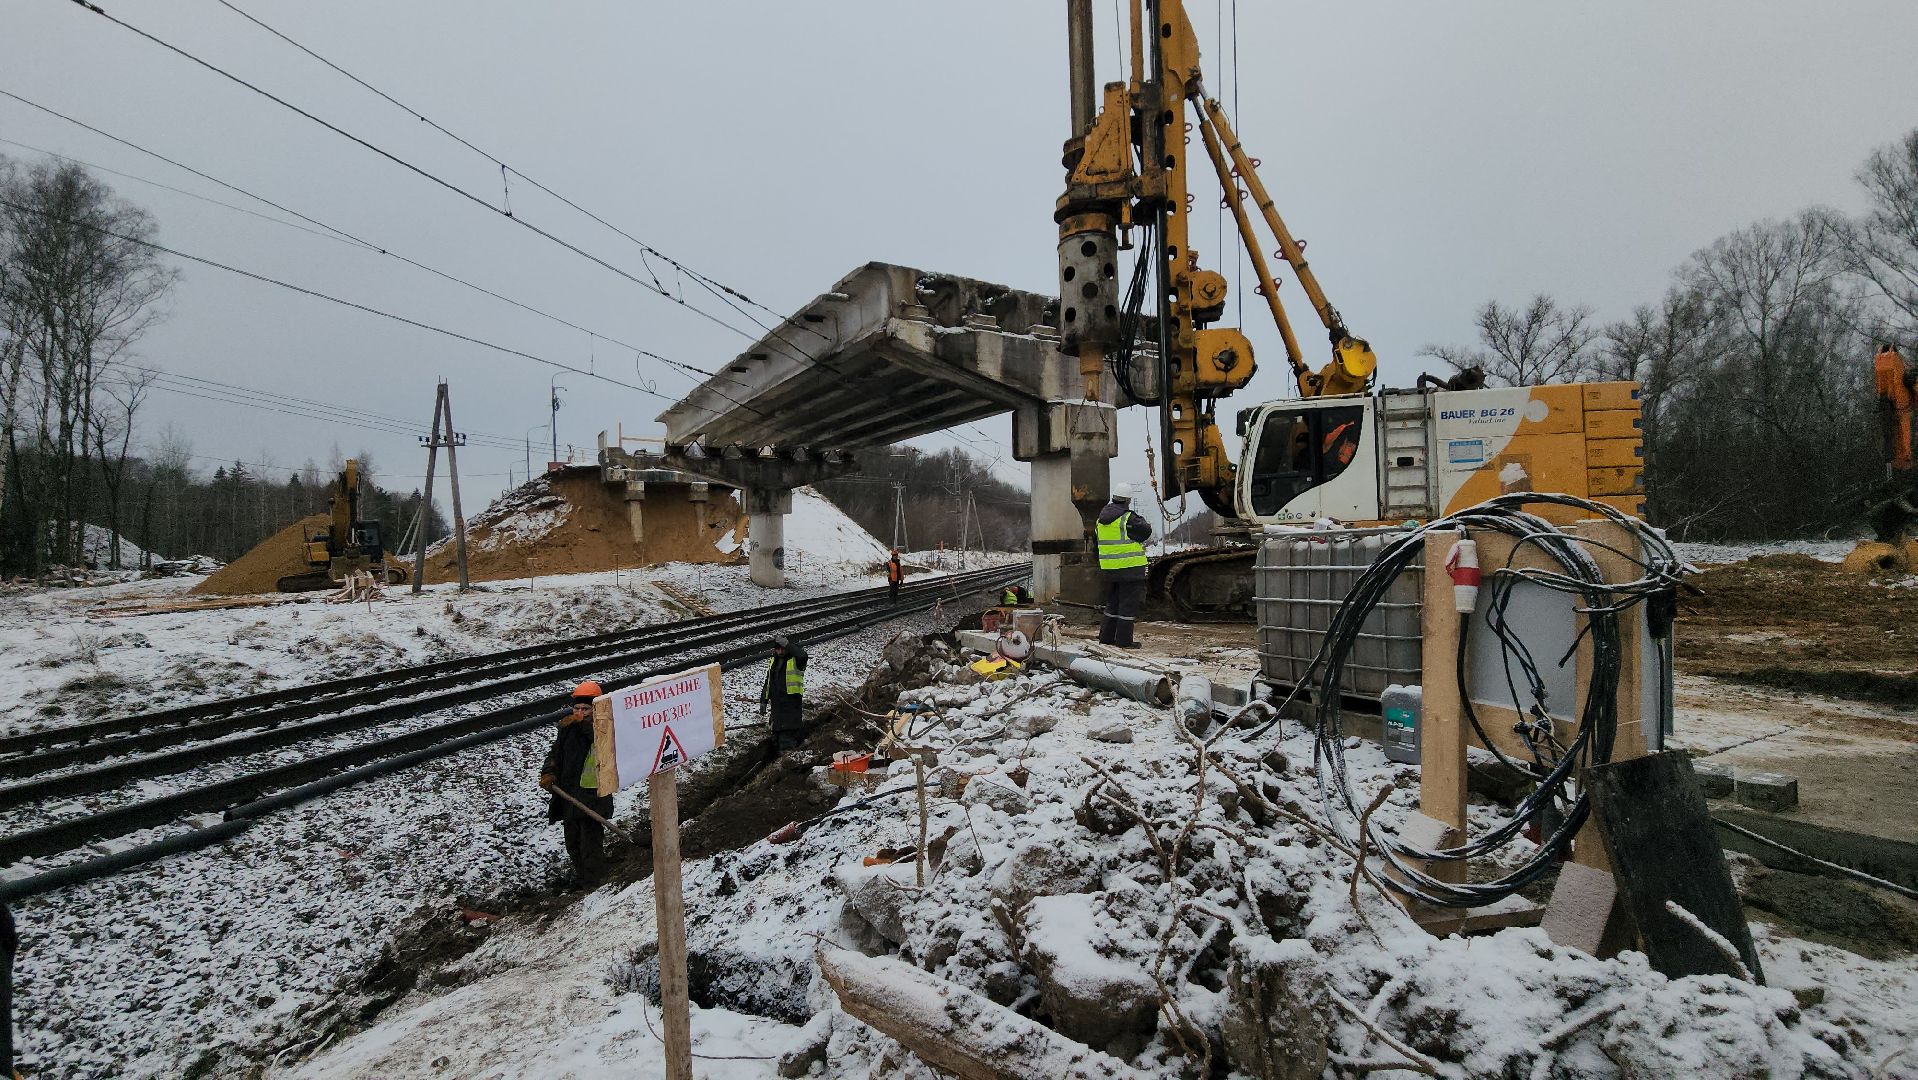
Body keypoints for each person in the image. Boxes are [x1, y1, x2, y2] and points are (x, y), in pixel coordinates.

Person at [539, 680, 614, 886]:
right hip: (569, 795)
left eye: (585, 709)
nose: (580, 712)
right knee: (573, 843)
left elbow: (599, 744)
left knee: (590, 846)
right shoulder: (568, 728)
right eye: (577, 708)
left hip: (591, 797)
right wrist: (549, 771)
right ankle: (583, 879)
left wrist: (582, 724)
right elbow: (556, 752)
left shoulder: (604, 727)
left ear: (595, 708)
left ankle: (596, 883)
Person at [1096, 483, 1152, 648]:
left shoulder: (1101, 520)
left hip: (1110, 570)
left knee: (1112, 603)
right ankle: (1124, 641)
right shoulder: (1128, 518)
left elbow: (1096, 544)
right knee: (1127, 605)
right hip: (1130, 569)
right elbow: (1145, 531)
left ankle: (1106, 637)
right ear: (1127, 500)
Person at [759, 635, 809, 754]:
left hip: (791, 708)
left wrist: (788, 645)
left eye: (783, 648)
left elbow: (803, 655)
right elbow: (768, 681)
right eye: (778, 649)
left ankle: (788, 764)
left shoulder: (796, 659)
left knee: (787, 742)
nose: (780, 651)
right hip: (777, 709)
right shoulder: (774, 660)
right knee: (776, 739)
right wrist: (764, 700)